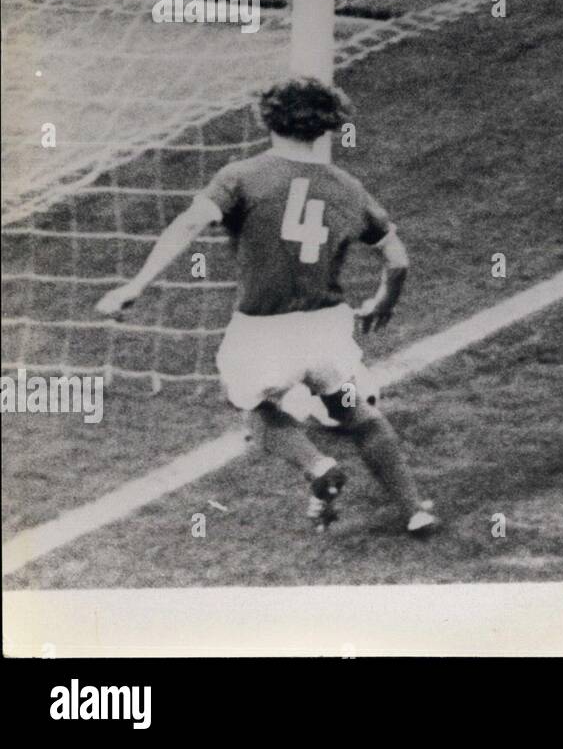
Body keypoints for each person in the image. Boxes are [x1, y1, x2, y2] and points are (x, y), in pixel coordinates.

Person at [95, 76, 438, 535]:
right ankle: (415, 509)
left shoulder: (241, 176)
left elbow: (188, 225)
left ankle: (317, 466)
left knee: (258, 413)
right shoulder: (348, 187)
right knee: (358, 415)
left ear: (266, 117)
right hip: (327, 332)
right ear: (328, 124)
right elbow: (397, 259)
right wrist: (383, 302)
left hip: (263, 330)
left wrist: (136, 284)